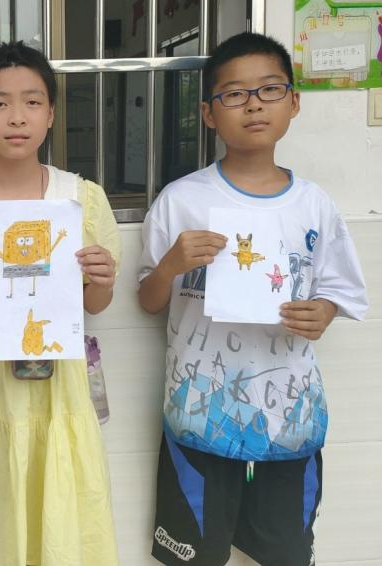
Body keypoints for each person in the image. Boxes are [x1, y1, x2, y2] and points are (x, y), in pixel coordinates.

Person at [137, 32, 369, 566]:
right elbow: (148, 299)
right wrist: (171, 264)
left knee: (287, 552)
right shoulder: (181, 199)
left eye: (269, 89)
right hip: (199, 414)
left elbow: (339, 290)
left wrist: (324, 312)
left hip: (288, 417)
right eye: (235, 94)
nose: (254, 104)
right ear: (208, 113)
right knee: (195, 554)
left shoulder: (314, 205)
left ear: (293, 102)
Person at [0, 41, 121, 565]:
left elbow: (95, 303)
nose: (17, 117)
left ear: (51, 114)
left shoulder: (82, 198)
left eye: (32, 102)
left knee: (58, 507)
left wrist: (102, 278)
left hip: (58, 382)